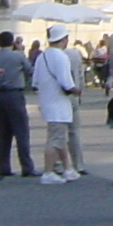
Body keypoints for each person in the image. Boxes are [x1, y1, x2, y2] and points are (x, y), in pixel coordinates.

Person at [31, 23, 82, 184]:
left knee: (59, 137)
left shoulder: (42, 56)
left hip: (46, 101)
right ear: (64, 39)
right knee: (55, 139)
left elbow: (35, 82)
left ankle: (68, 168)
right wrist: (76, 90)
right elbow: (66, 82)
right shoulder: (61, 56)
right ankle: (48, 171)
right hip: (58, 104)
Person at [0, 29, 37, 178]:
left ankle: (4, 167)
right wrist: (21, 51)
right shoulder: (17, 56)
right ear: (12, 42)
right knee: (21, 132)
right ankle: (27, 166)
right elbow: (30, 69)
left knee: (4, 133)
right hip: (14, 94)